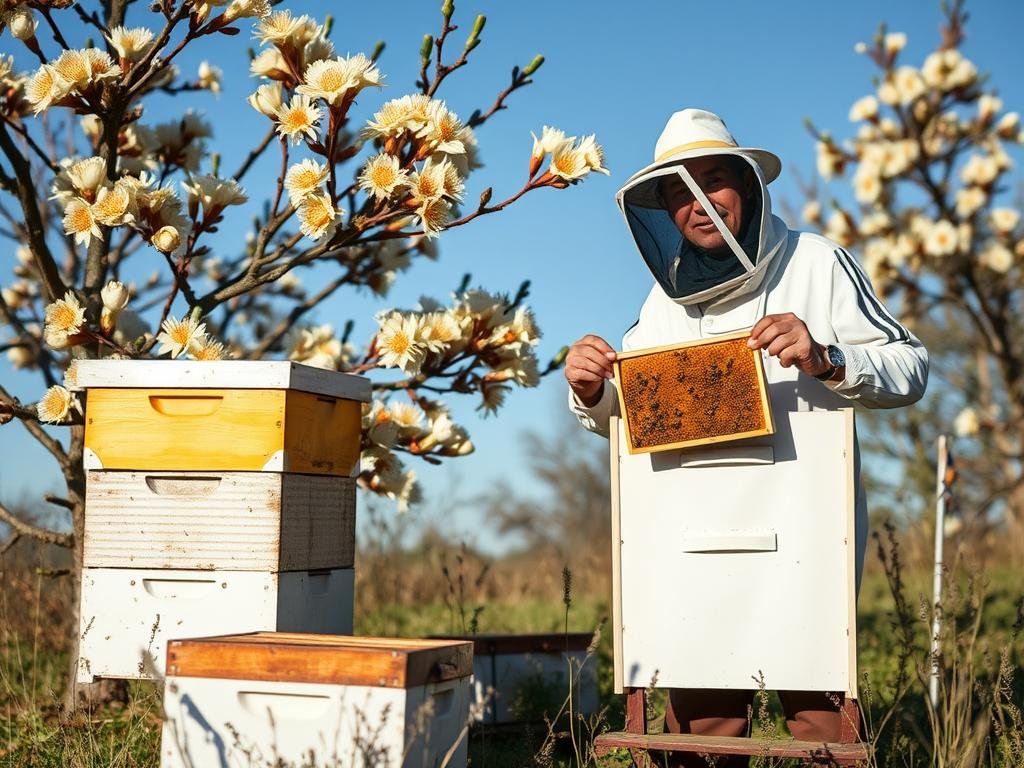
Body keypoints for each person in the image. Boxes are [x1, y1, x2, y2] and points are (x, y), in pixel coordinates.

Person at [565, 108, 928, 767]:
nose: (700, 204)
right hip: (692, 540)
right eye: (680, 191)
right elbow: (633, 419)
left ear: (747, 187)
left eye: (714, 182)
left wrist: (827, 357)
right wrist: (591, 388)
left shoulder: (817, 262)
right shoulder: (661, 304)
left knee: (821, 722)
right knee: (703, 729)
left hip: (802, 534)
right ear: (664, 210)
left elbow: (910, 365)